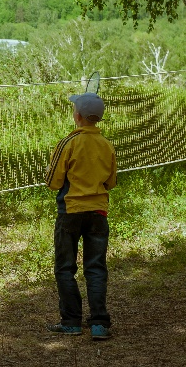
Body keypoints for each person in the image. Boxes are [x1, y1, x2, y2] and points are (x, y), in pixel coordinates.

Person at [44, 92, 117, 340]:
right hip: (98, 212)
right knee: (95, 268)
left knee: (65, 268)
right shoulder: (106, 144)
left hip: (70, 212)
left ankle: (72, 322)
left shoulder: (68, 143)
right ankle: (99, 324)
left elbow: (53, 183)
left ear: (77, 116)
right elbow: (111, 181)